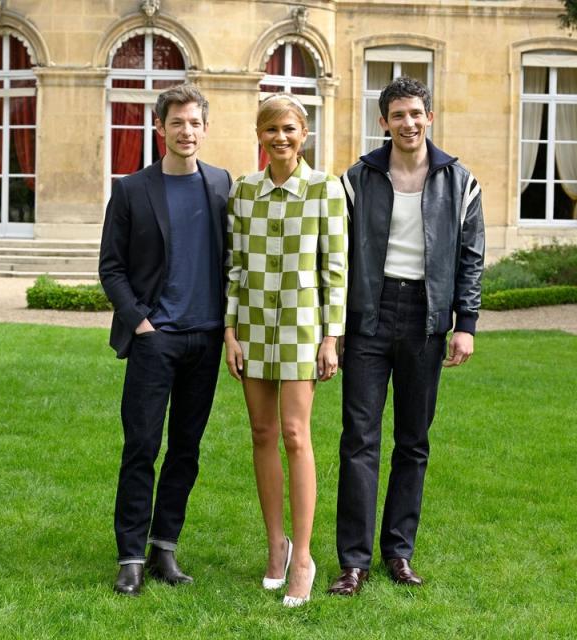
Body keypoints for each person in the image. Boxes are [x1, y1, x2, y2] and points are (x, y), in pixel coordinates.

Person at [327, 77, 485, 596]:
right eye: (398, 115)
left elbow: (470, 258)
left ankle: (399, 553)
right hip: (368, 317)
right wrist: (339, 327)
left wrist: (466, 324)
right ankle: (353, 562)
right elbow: (340, 255)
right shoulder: (358, 179)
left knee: (413, 442)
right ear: (384, 122)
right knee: (360, 441)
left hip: (426, 318)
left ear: (430, 117)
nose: (408, 123)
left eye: (416, 113)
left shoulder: (460, 182)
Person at [99, 84, 232, 597]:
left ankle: (164, 549)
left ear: (205, 128)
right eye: (177, 123)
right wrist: (139, 323)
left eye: (195, 123)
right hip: (156, 340)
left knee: (186, 450)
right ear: (160, 128)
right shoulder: (132, 189)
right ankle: (129, 556)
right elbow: (111, 267)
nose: (186, 131)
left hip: (205, 339)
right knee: (141, 446)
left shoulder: (221, 185)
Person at [224, 94, 347, 607]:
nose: (281, 137)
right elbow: (233, 267)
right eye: (272, 128)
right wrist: (229, 332)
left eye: (290, 128)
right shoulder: (243, 191)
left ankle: (303, 558)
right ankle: (276, 545)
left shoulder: (325, 189)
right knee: (261, 432)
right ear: (260, 134)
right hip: (251, 323)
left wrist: (330, 337)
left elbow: (334, 269)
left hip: (301, 326)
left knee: (296, 435)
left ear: (305, 134)